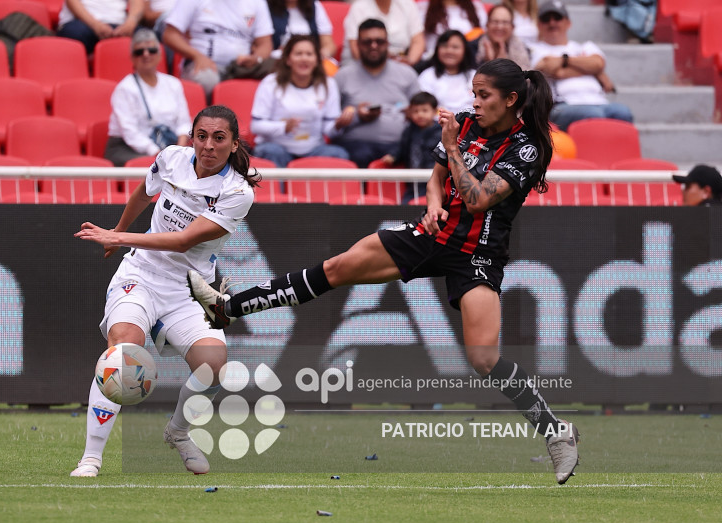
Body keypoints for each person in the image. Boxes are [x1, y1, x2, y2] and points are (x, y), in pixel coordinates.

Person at [189, 58, 581, 485]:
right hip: (430, 234)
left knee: (484, 358)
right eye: (473, 92)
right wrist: (432, 203)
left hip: (477, 254)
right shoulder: (465, 123)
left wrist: (451, 148)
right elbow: (436, 180)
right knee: (338, 267)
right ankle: (229, 306)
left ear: (510, 99)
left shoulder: (527, 147)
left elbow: (478, 201)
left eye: (484, 95)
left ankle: (557, 432)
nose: (475, 102)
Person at [70, 105, 258, 477]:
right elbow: (144, 192)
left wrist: (119, 237)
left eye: (219, 138)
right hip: (141, 274)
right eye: (201, 136)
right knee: (122, 350)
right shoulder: (171, 158)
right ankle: (91, 458)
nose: (208, 145)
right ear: (191, 137)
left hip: (188, 292)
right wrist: (118, 230)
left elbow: (184, 241)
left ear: (234, 144)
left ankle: (178, 431)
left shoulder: (237, 192)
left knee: (215, 368)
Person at [529, 0, 632, 132]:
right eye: (546, 19)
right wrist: (592, 71)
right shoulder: (535, 49)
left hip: (598, 101)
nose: (552, 23)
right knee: (594, 115)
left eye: (558, 18)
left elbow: (598, 64)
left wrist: (564, 61)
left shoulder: (585, 46)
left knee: (623, 112)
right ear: (539, 25)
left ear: (568, 23)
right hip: (561, 106)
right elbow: (553, 70)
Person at [332, 19, 421, 168]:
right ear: (358, 45)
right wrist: (357, 117)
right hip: (355, 146)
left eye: (379, 41)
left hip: (399, 144)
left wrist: (411, 113)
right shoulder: (342, 76)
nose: (373, 46)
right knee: (359, 154)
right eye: (367, 42)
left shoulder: (407, 74)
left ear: (387, 44)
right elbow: (330, 124)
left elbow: (422, 111)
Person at [251, 35, 350, 167]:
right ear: (288, 60)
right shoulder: (271, 83)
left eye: (309, 54)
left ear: (317, 59)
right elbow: (256, 125)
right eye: (298, 54)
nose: (304, 58)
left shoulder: (328, 84)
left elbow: (328, 128)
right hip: (277, 146)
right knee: (271, 151)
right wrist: (283, 127)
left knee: (338, 155)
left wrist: (339, 124)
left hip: (313, 149)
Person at [105, 28, 192, 167]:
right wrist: (158, 153)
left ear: (159, 54)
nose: (146, 54)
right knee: (156, 166)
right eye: (139, 52)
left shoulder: (173, 84)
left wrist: (179, 150)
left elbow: (184, 123)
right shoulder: (125, 88)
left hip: (169, 145)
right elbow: (130, 132)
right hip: (127, 147)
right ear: (132, 58)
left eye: (151, 50)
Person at [162, 0, 274, 100]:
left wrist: (255, 59)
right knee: (207, 80)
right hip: (202, 64)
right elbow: (170, 35)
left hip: (240, 67)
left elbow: (265, 43)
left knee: (277, 71)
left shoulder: (257, 2)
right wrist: (197, 55)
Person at [379, 91, 441, 203]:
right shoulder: (409, 131)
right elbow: (402, 148)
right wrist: (393, 156)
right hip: (413, 181)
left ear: (435, 111)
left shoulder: (441, 132)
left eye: (424, 110)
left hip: (434, 181)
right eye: (415, 111)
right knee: (406, 209)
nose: (420, 115)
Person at [343, 0, 425, 67]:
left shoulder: (408, 4)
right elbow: (355, 48)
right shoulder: (358, 7)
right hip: (365, 65)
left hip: (402, 64)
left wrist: (409, 61)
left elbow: (418, 41)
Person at [418, 30, 476, 114]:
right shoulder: (427, 76)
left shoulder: (474, 76)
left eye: (455, 47)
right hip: (437, 125)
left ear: (465, 50)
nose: (449, 51)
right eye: (444, 46)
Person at [57, 0, 144, 54]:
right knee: (76, 34)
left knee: (147, 38)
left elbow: (137, 2)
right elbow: (72, 2)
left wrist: (130, 24)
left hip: (118, 24)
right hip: (82, 23)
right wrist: (96, 25)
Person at [267, 0, 338, 64]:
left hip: (312, 60)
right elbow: (262, 46)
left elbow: (329, 45)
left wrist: (320, 54)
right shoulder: (265, 7)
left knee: (330, 69)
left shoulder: (314, 6)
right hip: (279, 60)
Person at [418, 0, 487, 62]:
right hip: (431, 62)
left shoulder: (476, 7)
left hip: (470, 62)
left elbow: (483, 35)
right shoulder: (422, 7)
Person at [475, 4, 530, 70]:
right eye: (495, 22)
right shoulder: (472, 49)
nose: (500, 27)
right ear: (487, 25)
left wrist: (504, 65)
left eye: (505, 22)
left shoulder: (524, 50)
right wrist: (489, 63)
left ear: (512, 27)